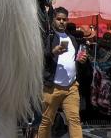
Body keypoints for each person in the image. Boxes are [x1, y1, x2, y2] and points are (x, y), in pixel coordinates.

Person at [38, 7, 88, 138]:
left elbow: (75, 61)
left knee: (74, 120)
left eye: (64, 19)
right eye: (58, 19)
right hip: (52, 87)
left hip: (71, 87)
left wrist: (82, 60)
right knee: (47, 121)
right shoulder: (48, 37)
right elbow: (39, 57)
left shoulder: (72, 39)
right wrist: (52, 52)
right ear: (53, 20)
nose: (61, 22)